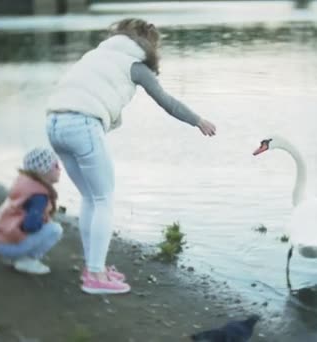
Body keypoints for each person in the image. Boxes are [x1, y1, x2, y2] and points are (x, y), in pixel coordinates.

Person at [46, 18, 216, 295]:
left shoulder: (96, 54)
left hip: (54, 123)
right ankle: (95, 275)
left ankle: (93, 267)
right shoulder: (134, 64)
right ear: (149, 44)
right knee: (103, 199)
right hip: (83, 124)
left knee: (91, 197)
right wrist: (198, 120)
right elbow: (167, 102)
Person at [0, 147, 63, 275]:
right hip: (9, 245)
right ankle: (27, 260)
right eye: (56, 165)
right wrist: (42, 222)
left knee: (46, 226)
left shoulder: (24, 184)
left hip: (1, 241)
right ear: (44, 170)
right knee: (55, 229)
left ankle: (13, 257)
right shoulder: (39, 195)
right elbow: (30, 225)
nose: (60, 169)